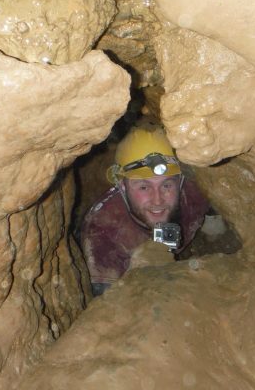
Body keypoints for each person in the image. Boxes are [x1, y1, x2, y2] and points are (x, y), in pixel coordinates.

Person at [80, 127, 210, 296]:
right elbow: (108, 310)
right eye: (143, 187)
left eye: (166, 185)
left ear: (180, 182)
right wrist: (138, 278)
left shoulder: (194, 195)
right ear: (122, 186)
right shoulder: (103, 233)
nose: (158, 200)